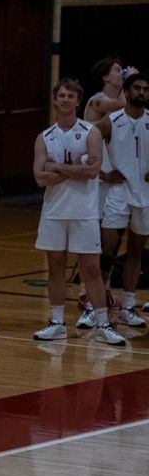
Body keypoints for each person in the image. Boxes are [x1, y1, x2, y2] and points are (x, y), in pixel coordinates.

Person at [32, 78, 125, 345]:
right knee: (55, 267)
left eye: (70, 96)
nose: (65, 100)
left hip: (84, 212)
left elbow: (93, 171)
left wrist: (57, 167)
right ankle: (57, 323)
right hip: (54, 212)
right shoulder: (44, 137)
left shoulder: (90, 132)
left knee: (91, 269)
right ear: (55, 99)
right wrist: (75, 168)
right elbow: (39, 178)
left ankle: (102, 324)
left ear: (77, 101)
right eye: (61, 95)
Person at [79, 56, 136, 320]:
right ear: (105, 77)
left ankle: (105, 289)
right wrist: (130, 81)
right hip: (95, 182)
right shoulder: (98, 101)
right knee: (94, 239)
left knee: (111, 240)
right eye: (117, 70)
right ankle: (85, 291)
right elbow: (125, 103)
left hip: (113, 183)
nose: (121, 72)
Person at [92, 72, 149, 329]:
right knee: (108, 244)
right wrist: (101, 173)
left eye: (145, 89)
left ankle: (128, 305)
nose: (142, 92)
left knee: (136, 250)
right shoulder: (111, 121)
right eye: (137, 88)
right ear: (126, 92)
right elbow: (87, 143)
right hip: (118, 192)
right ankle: (96, 303)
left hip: (145, 194)